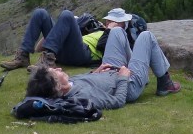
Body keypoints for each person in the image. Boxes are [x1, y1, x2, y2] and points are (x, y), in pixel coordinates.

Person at [25, 15, 181, 108]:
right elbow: (117, 101)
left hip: (109, 72)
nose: (58, 69)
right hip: (128, 84)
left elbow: (87, 80)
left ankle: (139, 71)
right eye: (55, 72)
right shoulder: (82, 96)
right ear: (58, 86)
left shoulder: (69, 83)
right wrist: (123, 78)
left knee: (117, 31)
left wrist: (95, 73)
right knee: (146, 36)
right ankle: (165, 83)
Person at [1, 7, 113, 70]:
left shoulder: (115, 34)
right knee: (40, 13)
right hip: (65, 50)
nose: (109, 22)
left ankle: (48, 62)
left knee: (67, 14)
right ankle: (23, 57)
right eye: (108, 19)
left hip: (83, 54)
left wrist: (109, 30)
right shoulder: (93, 27)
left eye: (114, 21)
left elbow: (101, 46)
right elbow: (38, 49)